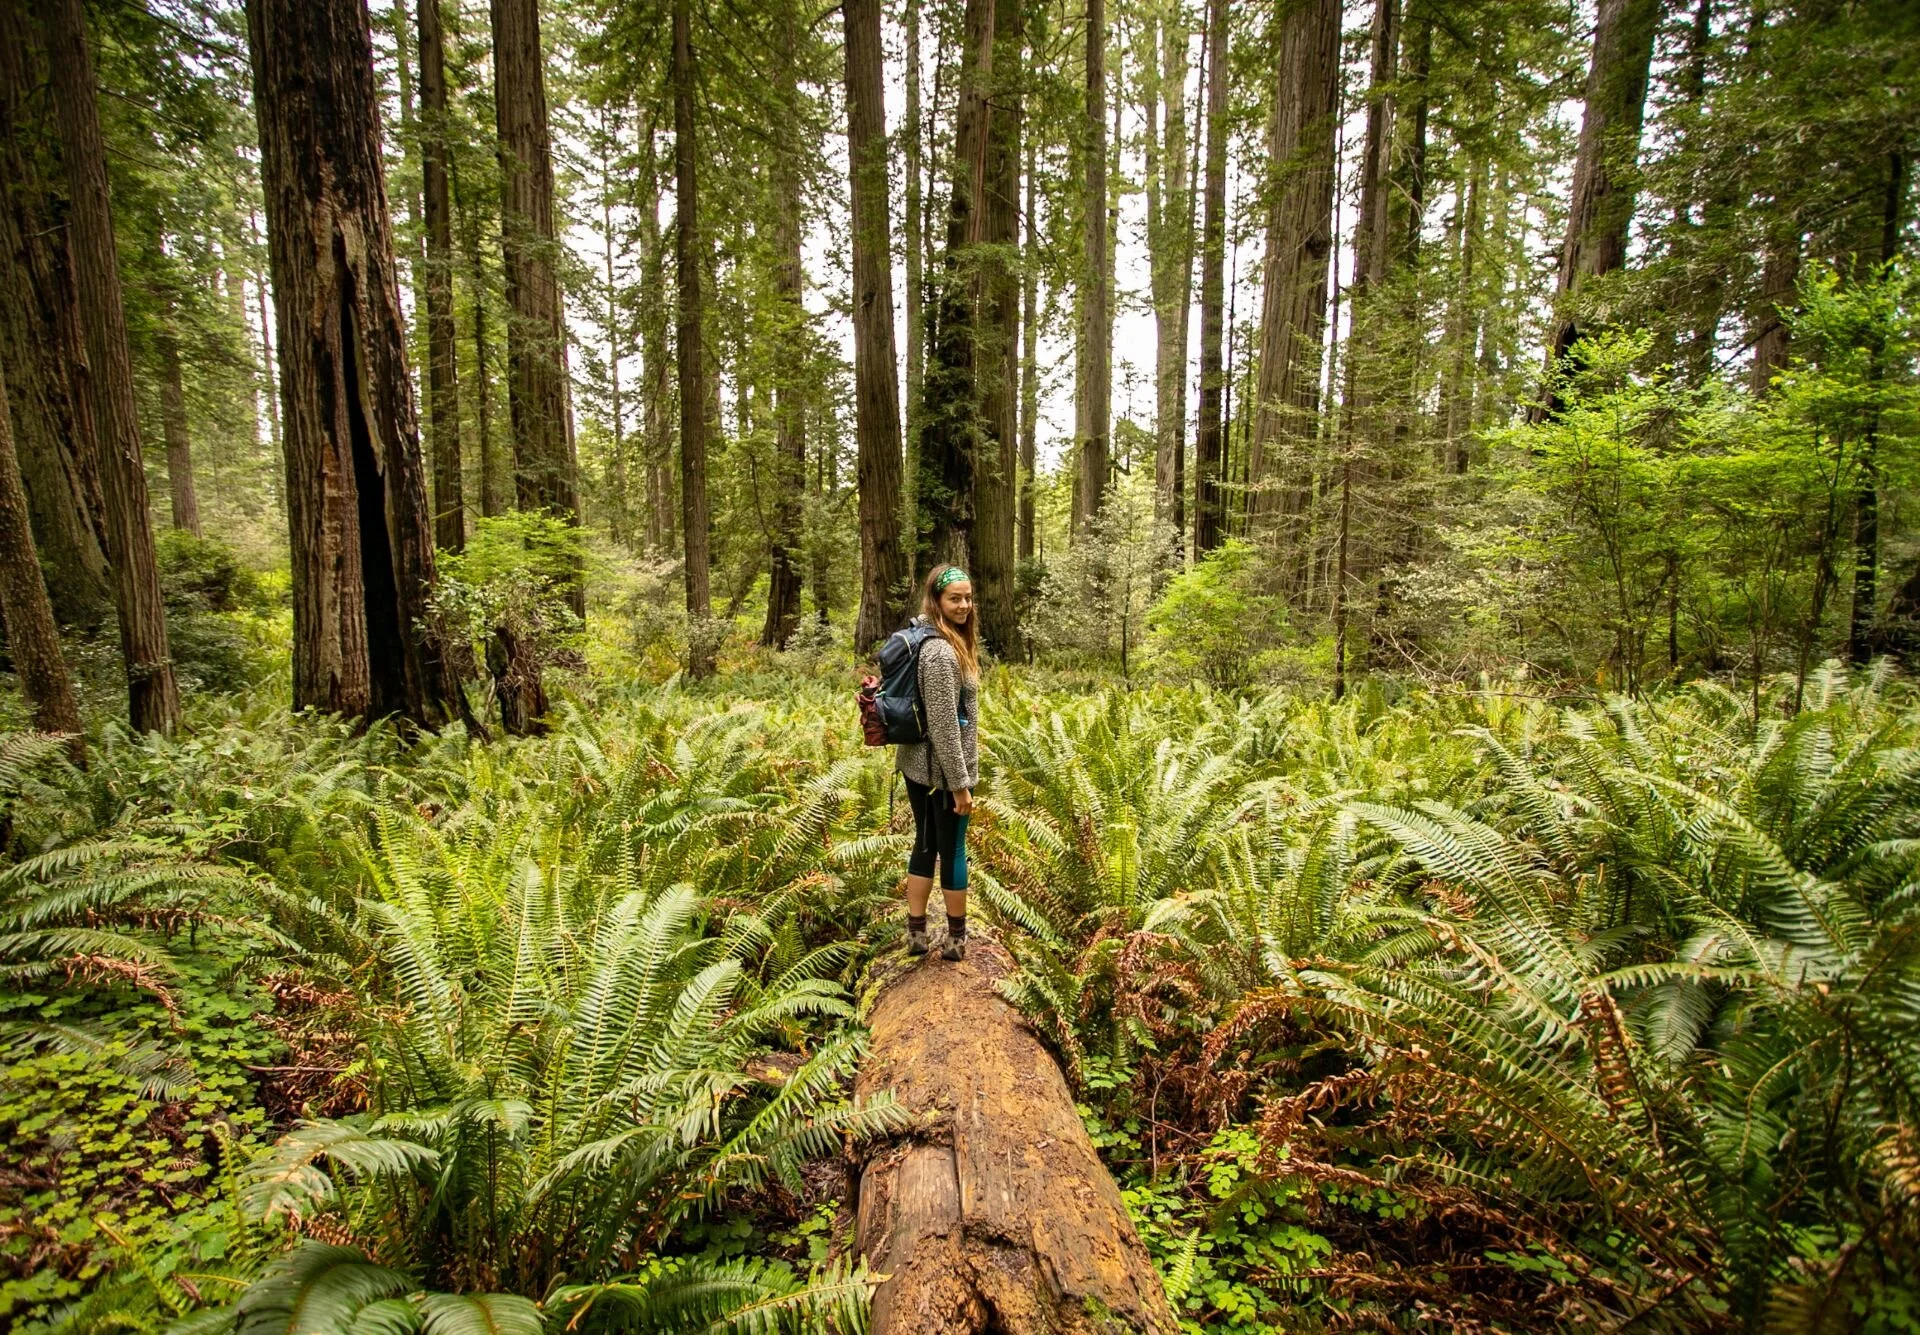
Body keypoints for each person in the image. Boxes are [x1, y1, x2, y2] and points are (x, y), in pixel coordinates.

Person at [898, 564, 980, 961]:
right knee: (953, 850)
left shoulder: (933, 642)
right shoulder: (941, 653)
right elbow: (946, 726)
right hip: (942, 773)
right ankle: (956, 938)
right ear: (936, 601)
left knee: (926, 844)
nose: (964, 605)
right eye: (954, 599)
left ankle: (916, 932)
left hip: (919, 767)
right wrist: (960, 786)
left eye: (967, 597)